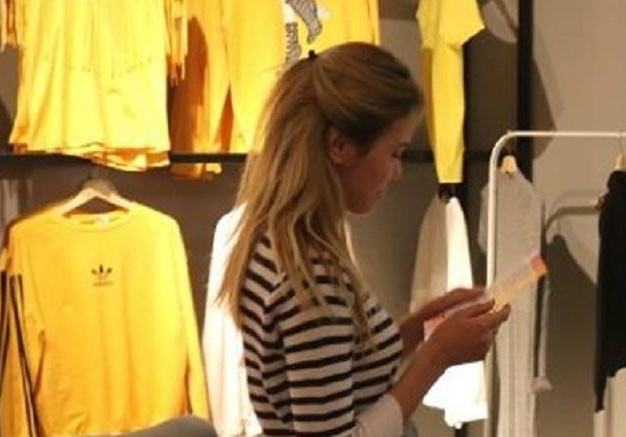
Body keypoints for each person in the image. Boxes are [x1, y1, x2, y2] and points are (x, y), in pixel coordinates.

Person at [216, 42, 511, 436]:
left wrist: (424, 324)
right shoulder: (311, 278)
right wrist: (437, 355)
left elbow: (341, 363)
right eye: (395, 153)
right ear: (340, 146)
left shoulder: (277, 243)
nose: (397, 172)